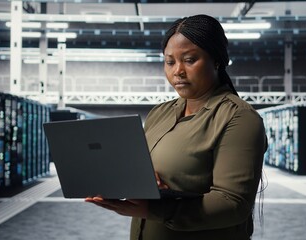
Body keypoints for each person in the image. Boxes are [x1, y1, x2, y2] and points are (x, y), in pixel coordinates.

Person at [86, 14, 268, 240]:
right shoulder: (159, 113)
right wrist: (141, 181)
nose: (177, 71)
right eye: (170, 62)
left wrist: (154, 209)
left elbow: (232, 204)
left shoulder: (239, 118)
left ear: (217, 61)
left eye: (190, 60)